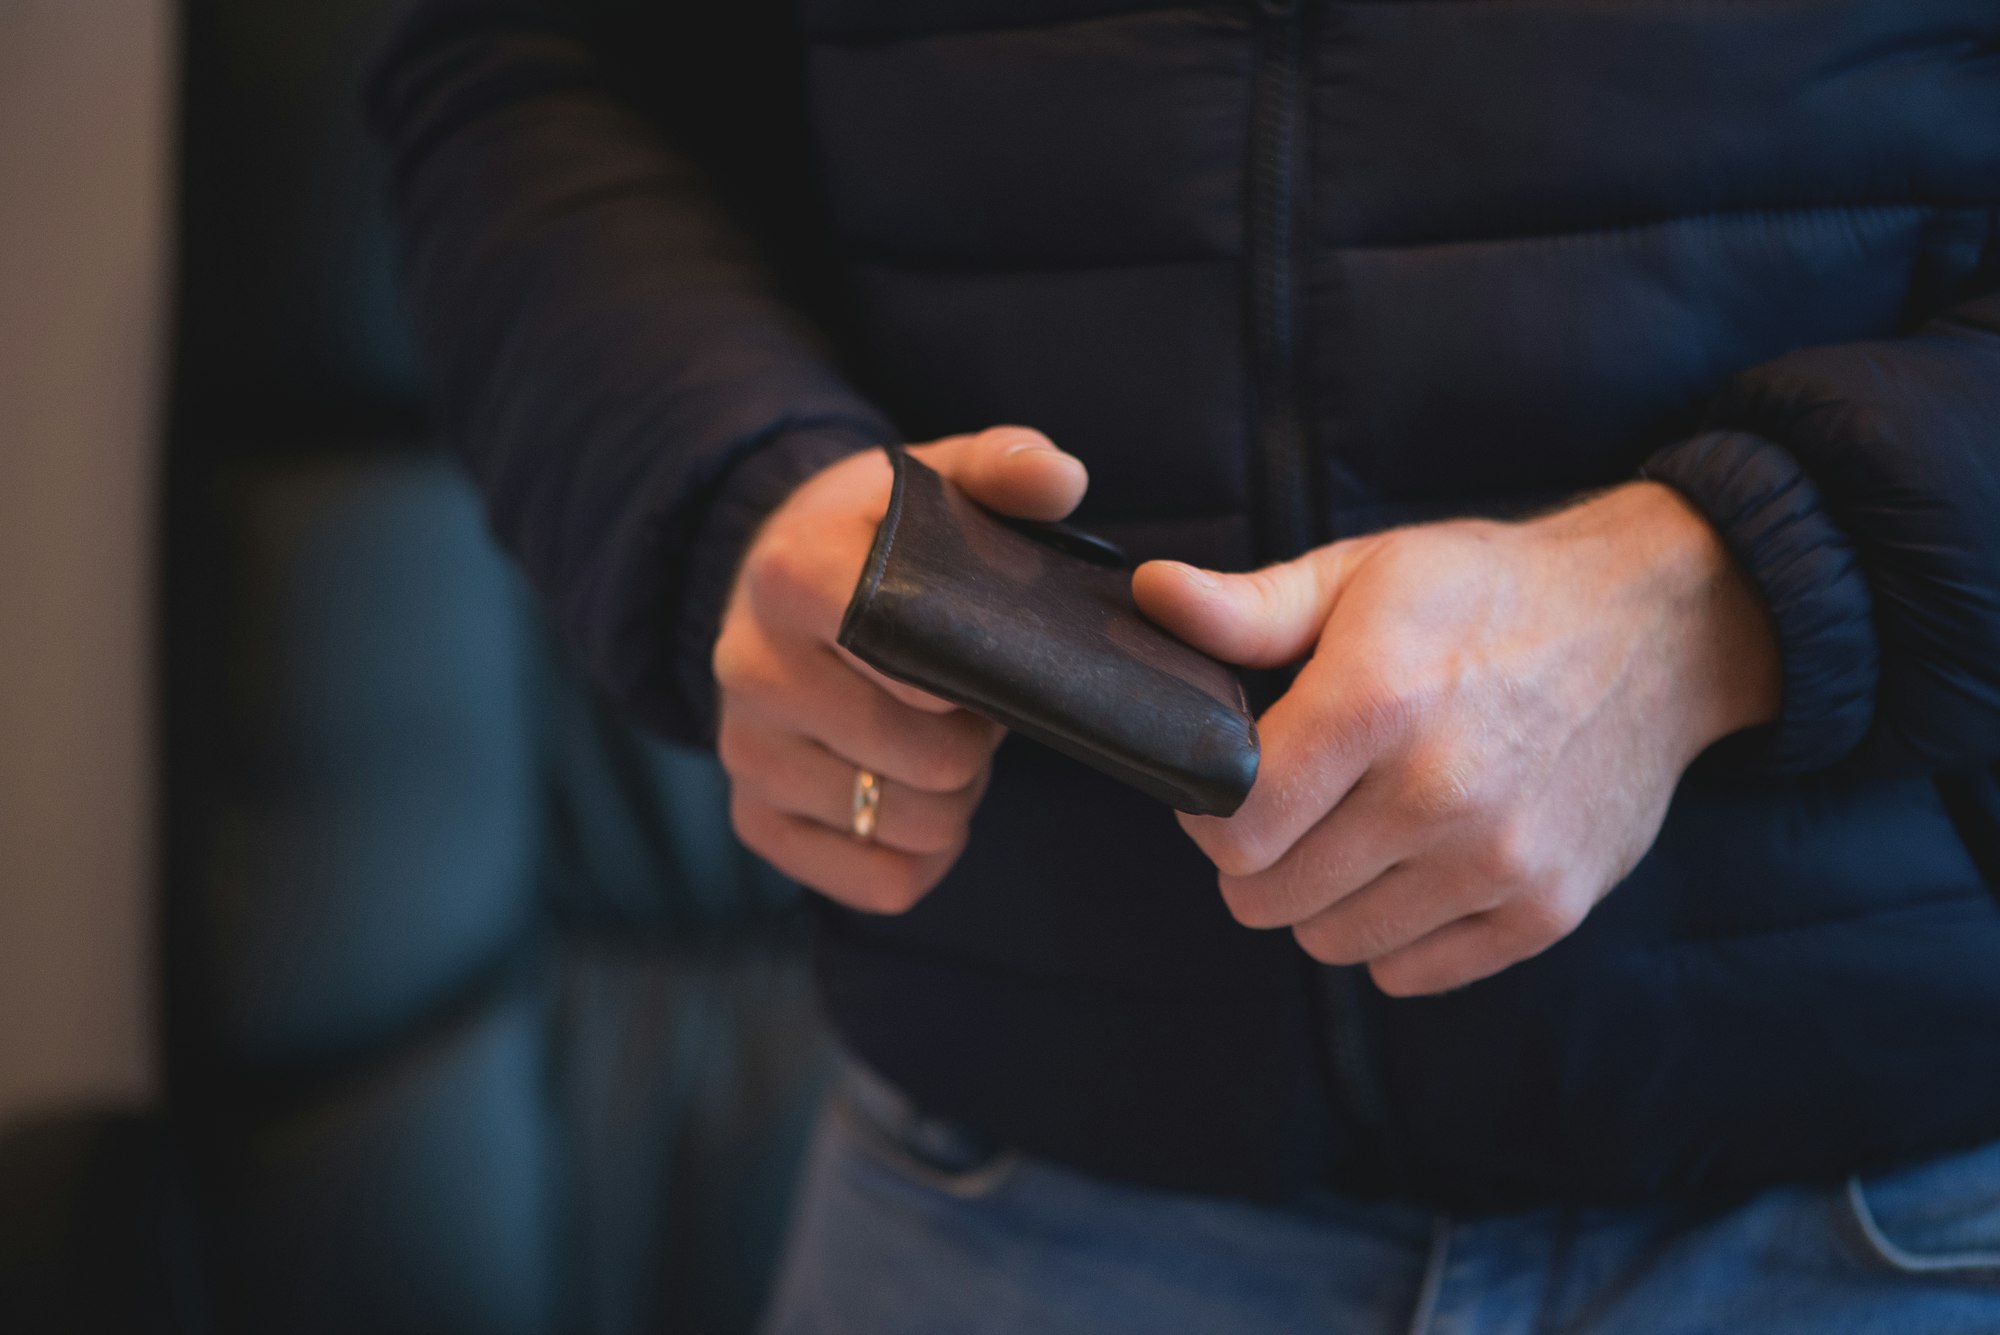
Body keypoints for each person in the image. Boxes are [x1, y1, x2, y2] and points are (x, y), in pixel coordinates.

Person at [367, 1, 2000, 1329]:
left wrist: (1727, 593)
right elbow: (535, 62)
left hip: (1890, 1214)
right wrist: (736, 485)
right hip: (1019, 1199)